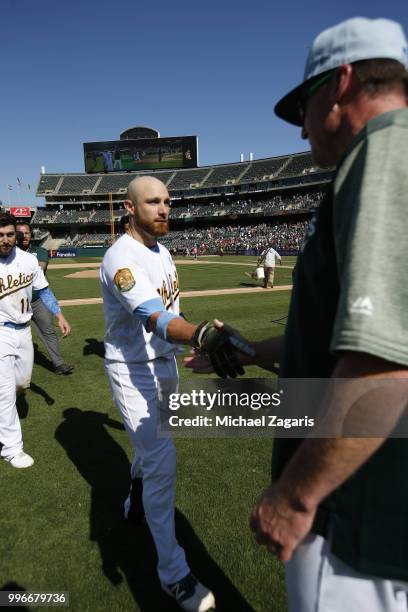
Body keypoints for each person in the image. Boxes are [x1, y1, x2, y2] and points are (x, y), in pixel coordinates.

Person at [185, 17, 408, 612]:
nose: (301, 127)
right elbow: (350, 334)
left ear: (341, 83)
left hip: (360, 518)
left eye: (302, 107)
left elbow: (382, 367)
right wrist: (255, 350)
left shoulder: (384, 149)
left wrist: (298, 495)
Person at [101, 175, 252, 611]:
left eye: (167, 201)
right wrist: (201, 335)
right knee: (163, 461)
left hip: (163, 362)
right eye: (153, 202)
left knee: (149, 450)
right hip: (132, 370)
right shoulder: (120, 259)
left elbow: (173, 310)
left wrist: (189, 335)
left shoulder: (163, 252)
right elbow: (151, 315)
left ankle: (134, 500)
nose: (165, 208)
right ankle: (173, 572)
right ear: (129, 208)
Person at [0, 213, 71, 468]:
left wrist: (59, 314)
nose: (5, 240)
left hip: (23, 331)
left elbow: (43, 290)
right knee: (5, 393)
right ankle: (11, 449)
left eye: (9, 234)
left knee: (20, 384)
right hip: (1, 332)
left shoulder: (29, 260)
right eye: (1, 235)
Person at [16, 222, 73, 375]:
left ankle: (59, 364)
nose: (24, 236)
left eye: (27, 233)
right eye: (20, 233)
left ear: (31, 235)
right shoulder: (8, 254)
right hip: (16, 303)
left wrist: (59, 315)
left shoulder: (39, 251)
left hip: (37, 300)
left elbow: (40, 268)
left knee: (48, 332)